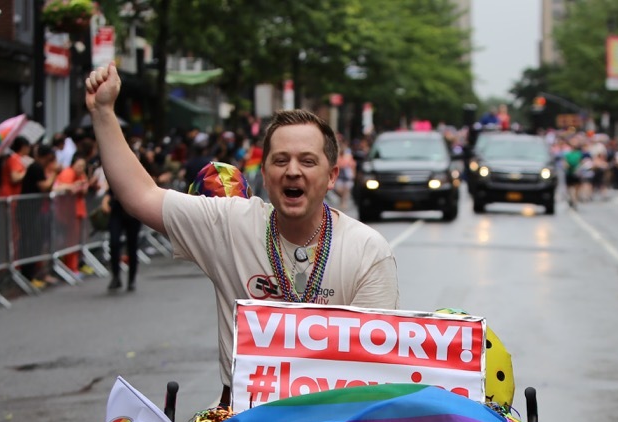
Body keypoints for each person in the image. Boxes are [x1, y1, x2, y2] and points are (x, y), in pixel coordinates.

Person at [84, 63, 399, 397]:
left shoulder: (367, 249)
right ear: (263, 172)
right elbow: (141, 196)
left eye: (308, 161)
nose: (292, 171)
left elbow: (374, 367)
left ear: (332, 175)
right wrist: (103, 111)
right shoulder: (229, 224)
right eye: (280, 161)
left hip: (332, 419)